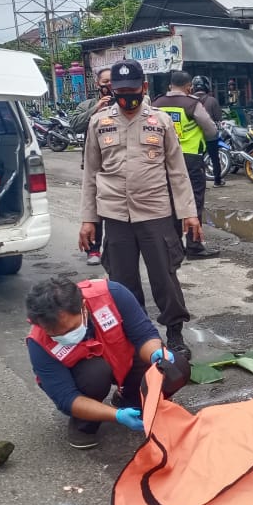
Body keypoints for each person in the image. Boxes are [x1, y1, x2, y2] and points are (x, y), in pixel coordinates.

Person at [79, 59, 201, 359]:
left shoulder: (160, 121)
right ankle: (136, 337)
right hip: (116, 215)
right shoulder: (99, 122)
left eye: (132, 90)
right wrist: (88, 220)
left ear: (144, 88)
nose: (126, 97)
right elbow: (90, 174)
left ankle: (174, 334)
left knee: (165, 277)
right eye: (119, 92)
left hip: (156, 212)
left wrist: (189, 212)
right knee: (122, 282)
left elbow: (177, 170)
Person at [26, 275, 191, 449]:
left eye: (69, 330)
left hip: (122, 357)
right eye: (55, 335)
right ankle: (84, 424)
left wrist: (155, 354)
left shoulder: (112, 294)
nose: (64, 337)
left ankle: (130, 398)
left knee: (176, 368)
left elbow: (144, 335)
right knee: (95, 374)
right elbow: (66, 398)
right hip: (88, 376)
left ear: (83, 307)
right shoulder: (38, 343)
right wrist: (117, 416)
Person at [152, 71, 220, 259]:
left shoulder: (156, 104)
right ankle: (194, 246)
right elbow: (211, 129)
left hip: (162, 160)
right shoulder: (192, 104)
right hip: (190, 159)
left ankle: (174, 247)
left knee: (170, 202)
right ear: (189, 87)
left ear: (169, 86)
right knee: (194, 201)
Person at [70, 67, 112, 265]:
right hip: (95, 166)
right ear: (97, 85)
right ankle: (94, 250)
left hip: (117, 167)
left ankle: (117, 249)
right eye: (105, 82)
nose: (109, 86)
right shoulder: (87, 105)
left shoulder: (125, 103)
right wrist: (95, 110)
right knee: (94, 208)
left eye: (113, 82)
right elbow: (74, 125)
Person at [191, 75, 225, 187]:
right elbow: (218, 117)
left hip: (194, 136)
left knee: (197, 159)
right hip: (210, 135)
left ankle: (198, 182)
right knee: (215, 158)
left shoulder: (189, 100)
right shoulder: (212, 100)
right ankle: (217, 181)